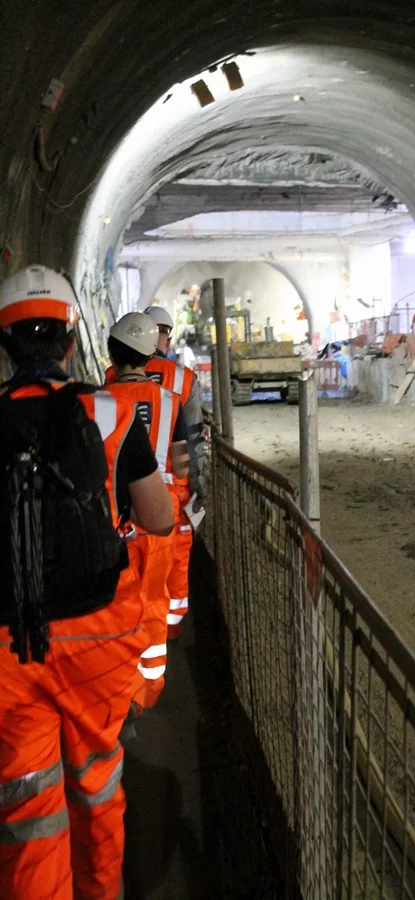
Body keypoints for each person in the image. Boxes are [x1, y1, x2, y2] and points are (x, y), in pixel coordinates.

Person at [0, 265, 174, 900]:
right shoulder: (106, 411)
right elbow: (158, 518)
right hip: (99, 639)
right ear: (73, 344)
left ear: (6, 347)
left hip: (12, 647)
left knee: (27, 808)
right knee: (97, 787)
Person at [105, 311, 190, 706]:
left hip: (111, 521)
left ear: (111, 353)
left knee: (115, 606)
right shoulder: (172, 401)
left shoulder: (98, 403)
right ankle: (148, 693)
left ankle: (117, 691)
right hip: (160, 517)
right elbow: (183, 461)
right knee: (153, 600)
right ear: (150, 354)